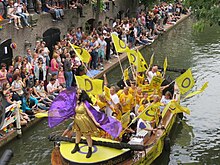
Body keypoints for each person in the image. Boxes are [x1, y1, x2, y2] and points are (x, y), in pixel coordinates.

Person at [71, 89, 100, 158]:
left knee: (87, 136)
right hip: (77, 120)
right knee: (77, 133)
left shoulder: (84, 103)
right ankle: (76, 146)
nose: (76, 95)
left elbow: (90, 114)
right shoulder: (76, 102)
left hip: (84, 121)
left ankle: (89, 149)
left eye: (78, 94)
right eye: (76, 94)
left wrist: (95, 122)